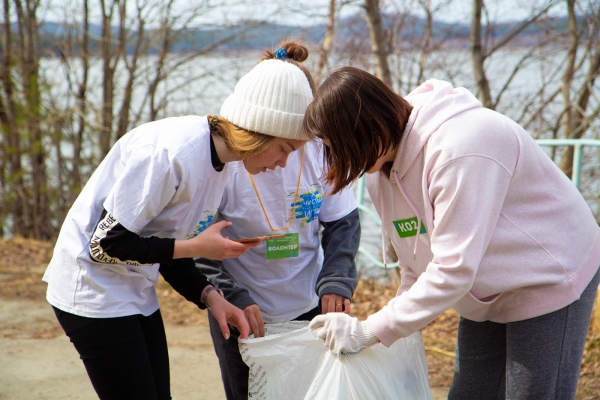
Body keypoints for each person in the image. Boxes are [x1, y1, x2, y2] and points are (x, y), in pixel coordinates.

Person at [304, 66, 600, 399]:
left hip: (549, 271)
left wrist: (370, 331)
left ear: (362, 128)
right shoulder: (380, 173)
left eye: (338, 146)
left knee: (530, 394)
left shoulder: (461, 147)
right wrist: (385, 328)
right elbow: (418, 267)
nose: (337, 158)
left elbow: (453, 269)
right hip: (483, 289)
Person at [42, 40, 315, 400]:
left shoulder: (221, 163)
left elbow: (162, 246)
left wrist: (211, 296)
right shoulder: (172, 154)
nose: (283, 163)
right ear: (258, 130)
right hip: (92, 292)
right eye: (284, 149)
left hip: (134, 289)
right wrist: (198, 247)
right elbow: (103, 245)